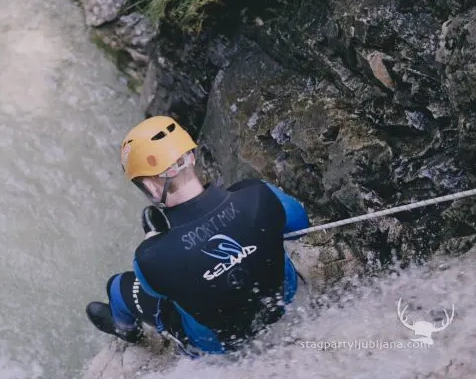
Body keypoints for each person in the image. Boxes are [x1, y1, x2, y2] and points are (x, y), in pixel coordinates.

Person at [85, 115, 310, 356]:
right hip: (283, 300)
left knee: (118, 286)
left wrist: (156, 245)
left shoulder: (149, 258)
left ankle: (127, 330)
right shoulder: (257, 195)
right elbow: (300, 225)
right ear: (191, 157)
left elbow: (156, 290)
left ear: (150, 186)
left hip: (217, 343)